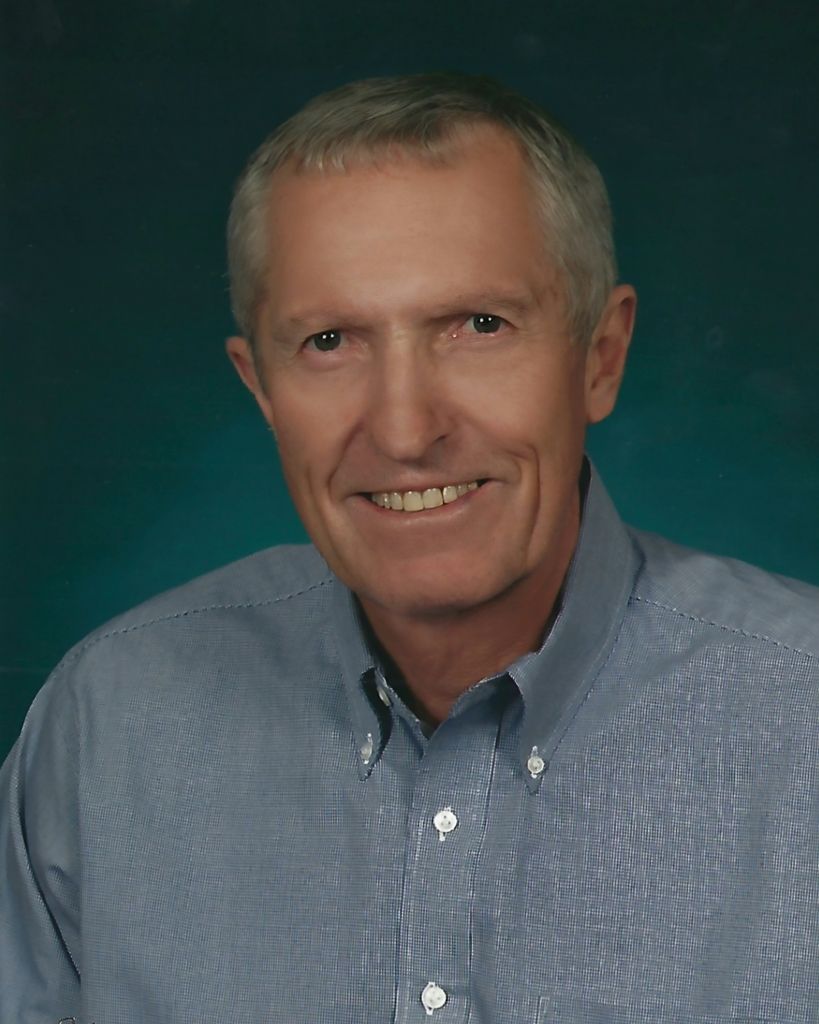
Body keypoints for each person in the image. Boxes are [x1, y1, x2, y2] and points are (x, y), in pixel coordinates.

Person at [1, 72, 817, 1024]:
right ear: (260, 388)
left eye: (479, 326)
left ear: (600, 356)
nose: (403, 429)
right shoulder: (109, 726)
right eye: (329, 341)